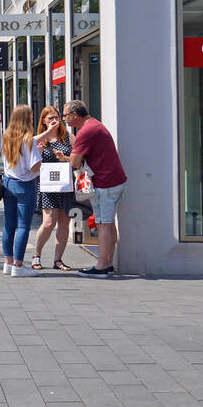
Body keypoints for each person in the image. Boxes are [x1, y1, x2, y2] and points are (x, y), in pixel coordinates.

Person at [66, 100, 127, 276]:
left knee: (103, 224)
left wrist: (71, 156)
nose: (65, 120)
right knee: (108, 223)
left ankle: (102, 266)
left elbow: (75, 161)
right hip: (114, 181)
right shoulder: (95, 125)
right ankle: (108, 262)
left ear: (75, 115)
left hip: (105, 183)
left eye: (66, 116)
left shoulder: (85, 131)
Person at [30, 106, 76, 272]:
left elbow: (78, 158)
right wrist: (47, 133)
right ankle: (36, 255)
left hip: (66, 185)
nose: (54, 120)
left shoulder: (67, 137)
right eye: (50, 118)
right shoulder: (42, 139)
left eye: (56, 117)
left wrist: (65, 158)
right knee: (49, 222)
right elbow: (30, 146)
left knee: (64, 223)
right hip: (48, 186)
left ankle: (58, 259)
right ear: (43, 120)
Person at [0, 105, 42, 278]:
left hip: (8, 183)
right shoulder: (28, 139)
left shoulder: (6, 137)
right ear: (26, 119)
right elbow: (34, 166)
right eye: (31, 116)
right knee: (24, 225)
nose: (33, 119)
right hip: (25, 184)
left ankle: (8, 263)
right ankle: (18, 265)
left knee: (9, 225)